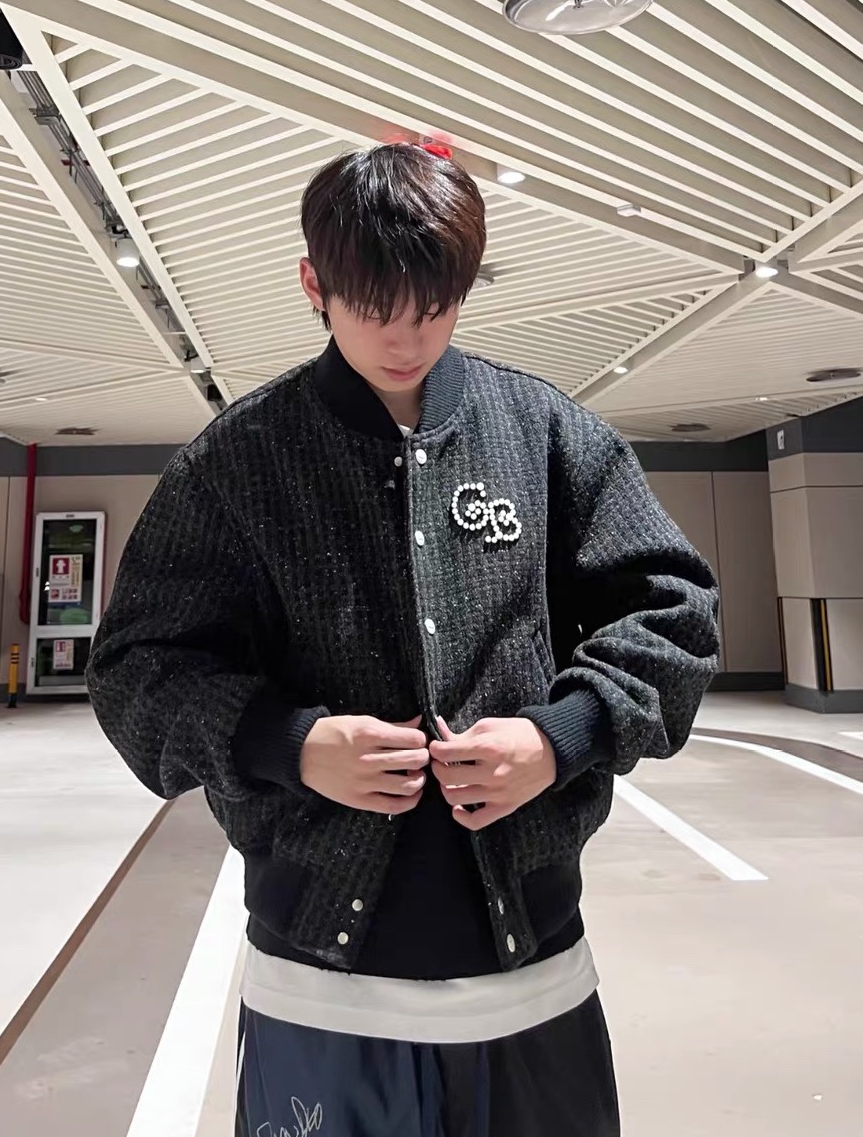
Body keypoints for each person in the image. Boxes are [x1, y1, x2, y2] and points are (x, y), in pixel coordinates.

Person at [86, 143, 720, 1137]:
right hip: (317, 985)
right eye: (375, 306)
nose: (405, 337)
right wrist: (289, 742)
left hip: (534, 972)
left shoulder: (545, 431)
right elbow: (136, 672)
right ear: (315, 285)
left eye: (434, 306)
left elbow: (673, 609)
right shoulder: (236, 463)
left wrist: (561, 735)